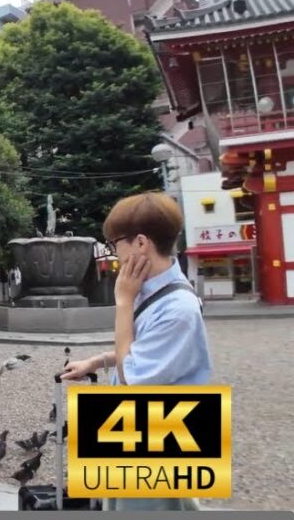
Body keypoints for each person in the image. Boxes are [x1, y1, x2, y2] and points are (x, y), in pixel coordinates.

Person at [62, 192, 211, 512]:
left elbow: (134, 378)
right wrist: (98, 361)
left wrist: (123, 302)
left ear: (141, 243)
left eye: (115, 243)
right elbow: (141, 351)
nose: (114, 253)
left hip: (159, 436)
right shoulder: (153, 289)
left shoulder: (178, 307)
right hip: (135, 426)